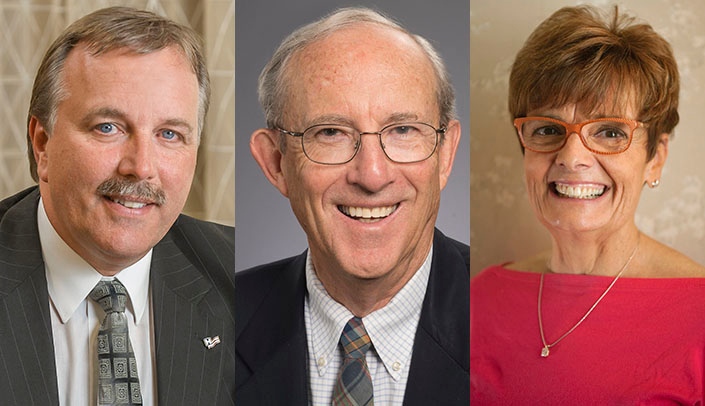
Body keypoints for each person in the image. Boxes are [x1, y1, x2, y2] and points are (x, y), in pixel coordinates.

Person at [470, 5, 705, 403]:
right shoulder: (477, 299)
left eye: (610, 132)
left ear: (655, 157)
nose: (572, 157)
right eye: (547, 129)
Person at [0, 7, 234, 405]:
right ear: (43, 143)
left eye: (170, 134)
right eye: (108, 127)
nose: (141, 167)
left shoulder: (242, 282)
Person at [235, 7, 468, 405]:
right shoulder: (221, 316)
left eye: (403, 130)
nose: (372, 175)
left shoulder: (505, 319)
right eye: (331, 133)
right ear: (276, 163)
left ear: (444, 155)